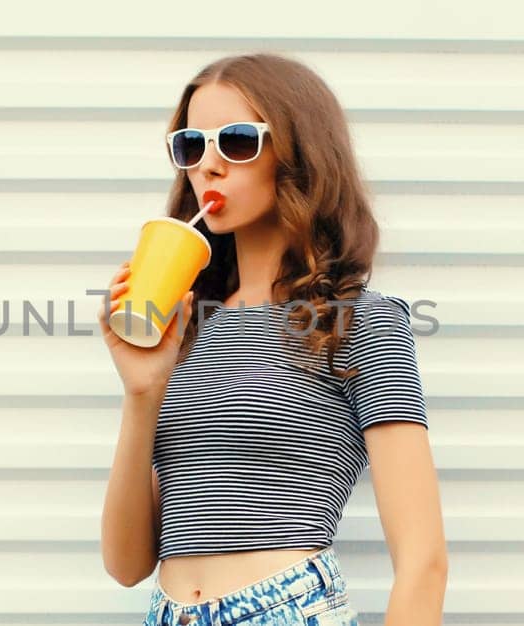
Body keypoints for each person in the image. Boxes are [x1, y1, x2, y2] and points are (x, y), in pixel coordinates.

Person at [97, 52, 448, 625]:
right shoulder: (187, 327)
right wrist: (142, 391)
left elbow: (423, 561)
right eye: (191, 146)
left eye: (236, 142)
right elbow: (126, 563)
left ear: (299, 153)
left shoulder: (358, 320)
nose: (207, 167)